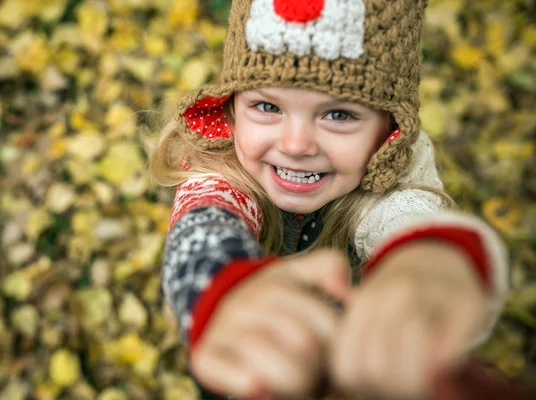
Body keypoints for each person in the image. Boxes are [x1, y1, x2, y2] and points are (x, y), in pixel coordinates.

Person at [149, 0, 509, 399]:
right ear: (233, 107)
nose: (296, 145)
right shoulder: (221, 160)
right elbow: (203, 227)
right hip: (252, 364)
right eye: (267, 106)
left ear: (390, 128)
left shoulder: (392, 175)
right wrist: (222, 288)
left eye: (338, 115)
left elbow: (409, 215)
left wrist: (429, 259)